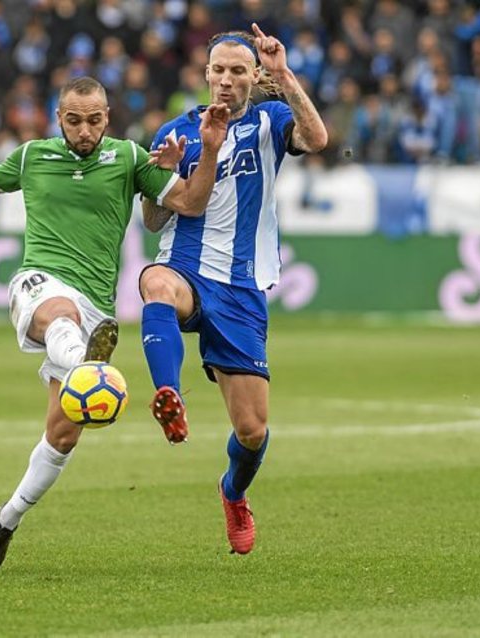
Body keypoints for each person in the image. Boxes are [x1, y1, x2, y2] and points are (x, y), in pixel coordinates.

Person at [0, 76, 230, 569]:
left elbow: (189, 203)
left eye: (95, 120)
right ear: (58, 118)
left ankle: (7, 520)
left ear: (107, 118)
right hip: (39, 282)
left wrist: (206, 152)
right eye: (74, 121)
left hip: (96, 306)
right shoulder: (32, 157)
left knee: (62, 437)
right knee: (60, 316)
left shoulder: (129, 158)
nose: (85, 131)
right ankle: (86, 363)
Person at [139, 24, 327, 555]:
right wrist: (161, 180)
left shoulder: (271, 120)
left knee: (252, 431)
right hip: (186, 267)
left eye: (238, 71)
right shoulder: (176, 131)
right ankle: (169, 393)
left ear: (253, 76)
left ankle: (233, 492)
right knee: (155, 283)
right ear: (205, 74)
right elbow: (153, 221)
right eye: (218, 70)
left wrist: (285, 76)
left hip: (242, 286)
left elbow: (317, 140)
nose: (226, 79)